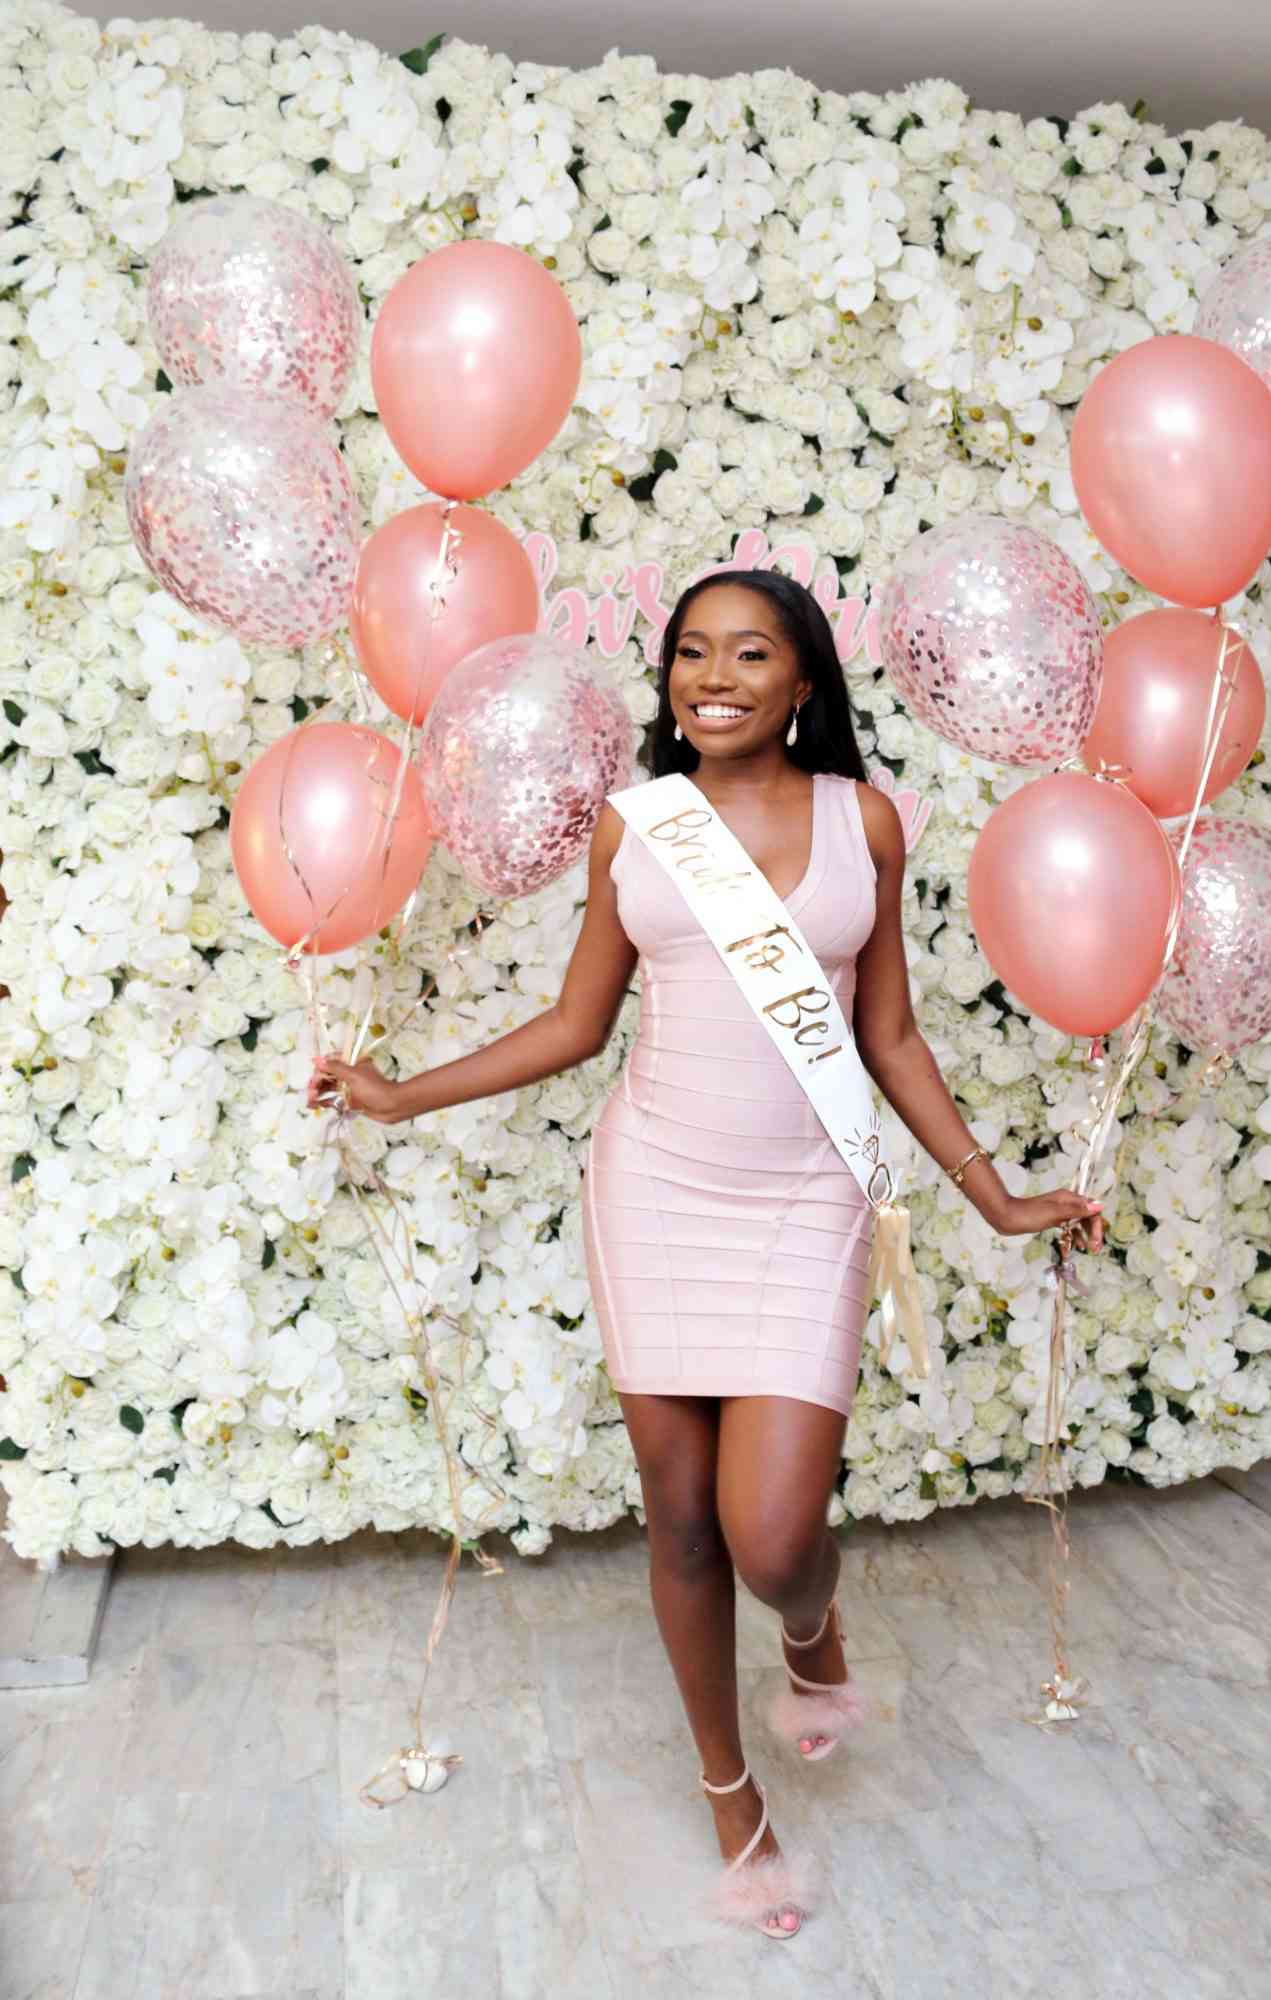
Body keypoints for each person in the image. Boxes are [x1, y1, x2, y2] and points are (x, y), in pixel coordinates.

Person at [309, 570, 1104, 1940]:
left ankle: (808, 1631)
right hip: (656, 1190)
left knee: (776, 1533)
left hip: (805, 1200)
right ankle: (732, 1796)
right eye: (689, 653)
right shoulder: (640, 826)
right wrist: (400, 1091)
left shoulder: (865, 821)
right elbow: (573, 1026)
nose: (712, 677)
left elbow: (890, 1037)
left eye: (750, 653)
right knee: (680, 1522)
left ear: (805, 683)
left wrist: (992, 1197)